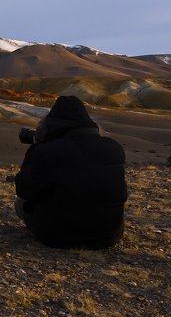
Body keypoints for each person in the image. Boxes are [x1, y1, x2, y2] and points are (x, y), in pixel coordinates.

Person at [15, 96, 127, 249]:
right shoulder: (114, 148)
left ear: (50, 124)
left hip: (58, 236)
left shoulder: (45, 152)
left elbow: (24, 190)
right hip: (109, 235)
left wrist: (35, 148)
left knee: (20, 204)